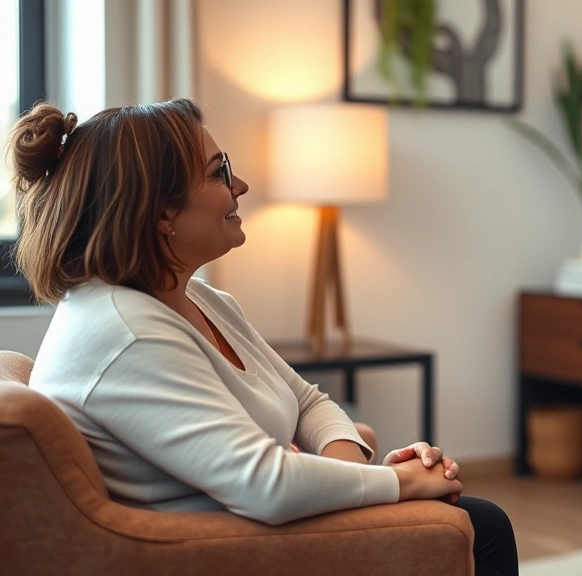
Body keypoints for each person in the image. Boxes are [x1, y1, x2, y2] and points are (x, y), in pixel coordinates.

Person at [7, 98, 517, 576]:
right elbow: (266, 484)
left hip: (251, 521)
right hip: (218, 547)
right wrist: (399, 483)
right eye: (219, 172)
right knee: (483, 524)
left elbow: (309, 401)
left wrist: (352, 473)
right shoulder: (124, 332)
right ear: (163, 212)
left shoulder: (198, 299)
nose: (241, 185)